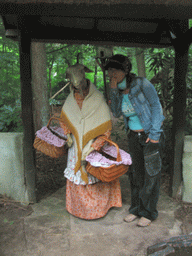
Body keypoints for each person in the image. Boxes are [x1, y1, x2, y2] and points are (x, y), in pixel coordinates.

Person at [105, 54, 165, 227]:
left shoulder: (141, 83)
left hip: (149, 135)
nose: (111, 73)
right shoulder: (116, 87)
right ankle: (136, 209)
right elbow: (116, 112)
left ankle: (149, 212)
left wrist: (154, 135)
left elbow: (156, 106)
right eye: (109, 70)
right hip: (133, 136)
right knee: (136, 174)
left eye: (115, 70)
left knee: (151, 175)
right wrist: (114, 90)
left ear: (125, 70)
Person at [60, 63, 122, 220]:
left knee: (95, 170)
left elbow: (106, 125)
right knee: (78, 171)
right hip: (75, 144)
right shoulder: (70, 99)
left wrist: (95, 144)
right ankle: (79, 207)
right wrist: (68, 135)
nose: (78, 88)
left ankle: (99, 207)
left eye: (80, 84)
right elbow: (65, 119)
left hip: (94, 143)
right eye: (74, 85)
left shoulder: (97, 98)